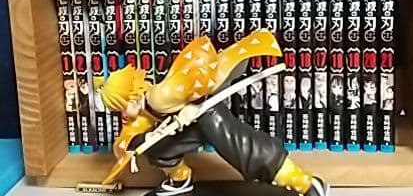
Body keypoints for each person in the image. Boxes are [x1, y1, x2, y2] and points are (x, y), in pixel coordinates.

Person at [99, 30, 329, 196]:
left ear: (132, 96)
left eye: (121, 107)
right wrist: (147, 137)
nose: (123, 114)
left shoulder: (158, 96)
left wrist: (191, 107)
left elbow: (196, 85)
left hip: (207, 114)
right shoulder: (140, 113)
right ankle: (180, 180)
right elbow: (128, 141)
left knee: (242, 146)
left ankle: (303, 182)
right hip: (190, 125)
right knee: (161, 151)